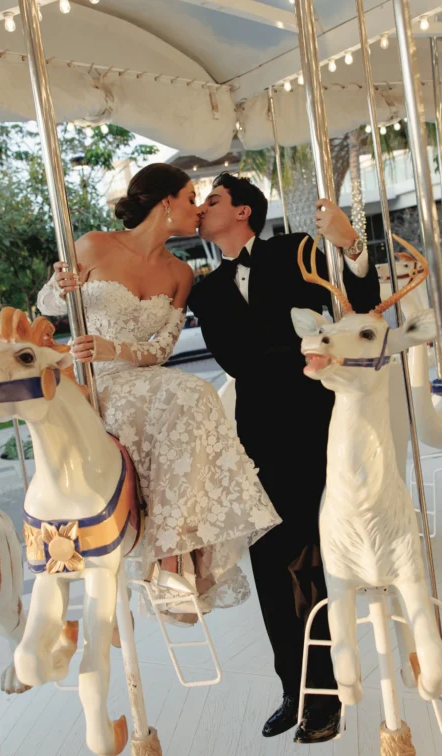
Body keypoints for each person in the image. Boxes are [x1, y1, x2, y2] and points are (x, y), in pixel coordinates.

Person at [36, 163, 280, 624]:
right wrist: (60, 285)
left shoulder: (180, 272)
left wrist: (117, 346)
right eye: (192, 199)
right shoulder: (93, 244)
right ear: (166, 202)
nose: (198, 210)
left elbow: (161, 349)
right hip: (96, 382)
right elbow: (49, 305)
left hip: (144, 379)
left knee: (196, 393)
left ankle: (173, 560)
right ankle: (172, 557)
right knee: (189, 396)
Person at [188, 174, 381, 744]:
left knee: (309, 561)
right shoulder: (205, 290)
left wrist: (350, 246)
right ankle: (293, 689)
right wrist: (290, 348)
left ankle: (324, 695)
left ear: (242, 210)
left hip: (322, 425)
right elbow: (236, 359)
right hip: (260, 438)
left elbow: (359, 308)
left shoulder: (297, 249)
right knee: (271, 564)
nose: (202, 208)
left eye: (213, 200)